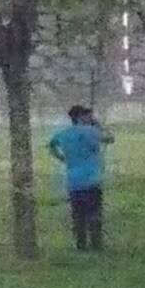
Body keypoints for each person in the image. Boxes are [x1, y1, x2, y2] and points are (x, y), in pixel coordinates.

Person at [45, 102, 110, 252]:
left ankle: (81, 245)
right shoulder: (90, 131)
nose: (90, 117)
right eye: (87, 115)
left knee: (78, 215)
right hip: (92, 180)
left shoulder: (64, 133)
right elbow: (109, 138)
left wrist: (62, 157)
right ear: (80, 117)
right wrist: (97, 125)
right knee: (94, 213)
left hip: (73, 181)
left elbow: (51, 145)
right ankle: (96, 245)